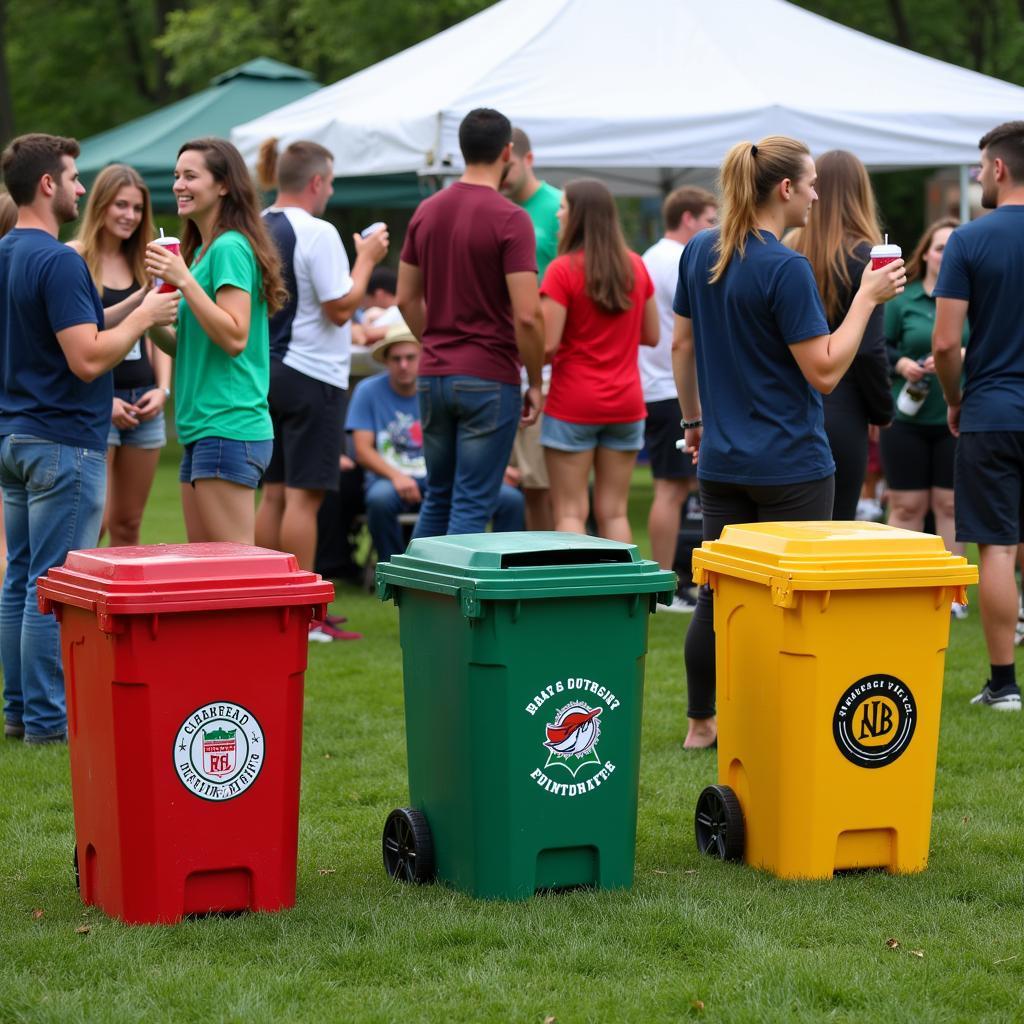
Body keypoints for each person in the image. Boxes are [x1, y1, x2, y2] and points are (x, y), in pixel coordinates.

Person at [673, 136, 905, 749]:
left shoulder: (700, 250)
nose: (817, 194)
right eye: (810, 184)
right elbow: (825, 370)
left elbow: (680, 345)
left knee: (717, 594)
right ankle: (780, 723)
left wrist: (693, 426)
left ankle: (703, 722)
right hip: (792, 465)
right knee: (795, 599)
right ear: (784, 190)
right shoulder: (784, 267)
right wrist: (865, 299)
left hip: (722, 460)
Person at [0, 133, 178, 744]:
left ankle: (21, 713)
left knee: (20, 580)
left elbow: (77, 321)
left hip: (16, 439)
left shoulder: (9, 253)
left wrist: (136, 302)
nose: (82, 188)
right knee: (51, 587)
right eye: (74, 178)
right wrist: (148, 321)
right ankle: (51, 724)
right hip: (63, 443)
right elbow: (86, 357)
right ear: (47, 184)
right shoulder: (60, 259)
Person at [252, 138, 387, 642]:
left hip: (267, 371)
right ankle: (303, 615)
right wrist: (367, 257)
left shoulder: (256, 225)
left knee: (275, 495)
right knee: (304, 501)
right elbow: (338, 306)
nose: (330, 190)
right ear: (315, 182)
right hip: (313, 376)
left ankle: (267, 604)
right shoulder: (319, 231)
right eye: (329, 182)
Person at [397, 107, 544, 538]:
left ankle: (419, 601)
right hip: (489, 376)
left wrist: (438, 342)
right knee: (472, 501)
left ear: (461, 150)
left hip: (434, 374)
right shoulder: (512, 218)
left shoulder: (426, 211)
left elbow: (406, 297)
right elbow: (527, 315)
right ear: (507, 152)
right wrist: (534, 381)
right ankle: (453, 607)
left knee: (438, 495)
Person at [145, 137, 287, 546]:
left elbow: (235, 335)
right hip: (201, 430)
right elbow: (186, 344)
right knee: (208, 575)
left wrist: (184, 281)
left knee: (236, 572)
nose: (178, 185)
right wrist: (151, 314)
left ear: (224, 185)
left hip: (228, 425)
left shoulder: (229, 248)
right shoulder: (202, 252)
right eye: (176, 176)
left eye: (191, 176)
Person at [933, 120, 1024, 711]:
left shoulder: (968, 240)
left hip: (992, 409)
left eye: (980, 166)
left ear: (999, 168)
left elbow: (945, 344)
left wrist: (953, 398)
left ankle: (1004, 685)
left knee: (995, 547)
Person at [541, 178, 658, 541]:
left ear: (578, 216)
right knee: (614, 512)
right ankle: (620, 595)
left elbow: (547, 344)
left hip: (573, 403)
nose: (558, 214)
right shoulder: (636, 267)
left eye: (563, 207)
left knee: (571, 512)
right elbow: (651, 335)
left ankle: (575, 597)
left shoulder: (562, 271)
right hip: (625, 403)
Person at [348, 321, 524, 561]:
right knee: (380, 499)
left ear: (423, 357)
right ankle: (394, 568)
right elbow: (362, 450)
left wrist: (492, 472)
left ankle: (501, 568)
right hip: (392, 478)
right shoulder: (368, 390)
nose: (403, 365)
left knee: (511, 500)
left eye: (410, 357)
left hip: (445, 475)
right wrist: (396, 476)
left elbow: (468, 442)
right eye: (396, 358)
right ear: (385, 361)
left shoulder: (439, 389)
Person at [68, 164, 171, 547]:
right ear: (101, 206)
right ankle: (83, 605)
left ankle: (125, 608)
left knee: (129, 523)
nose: (130, 216)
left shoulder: (147, 262)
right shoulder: (75, 257)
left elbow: (156, 331)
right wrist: (104, 400)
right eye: (121, 205)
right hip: (97, 402)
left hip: (143, 402)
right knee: (97, 522)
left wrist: (163, 389)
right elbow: (68, 343)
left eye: (138, 208)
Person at [787, 150, 893, 519]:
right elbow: (868, 350)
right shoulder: (870, 259)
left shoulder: (786, 251)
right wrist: (882, 410)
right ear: (861, 192)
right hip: (845, 408)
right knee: (834, 533)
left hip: (787, 407)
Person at [881, 217, 968, 618]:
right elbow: (880, 348)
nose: (945, 254)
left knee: (950, 506)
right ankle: (902, 585)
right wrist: (902, 365)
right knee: (906, 506)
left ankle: (952, 593)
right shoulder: (903, 299)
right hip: (907, 419)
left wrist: (960, 356)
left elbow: (991, 346)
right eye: (939, 247)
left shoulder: (974, 299)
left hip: (957, 415)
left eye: (953, 247)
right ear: (926, 253)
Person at [641, 186, 717, 609]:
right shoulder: (675, 260)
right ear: (687, 218)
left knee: (679, 487)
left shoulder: (653, 256)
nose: (713, 229)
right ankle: (665, 583)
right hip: (672, 390)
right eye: (709, 220)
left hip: (662, 387)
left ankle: (671, 582)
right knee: (671, 489)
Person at [502, 127, 563, 531]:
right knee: (525, 479)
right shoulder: (496, 208)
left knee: (551, 481)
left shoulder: (560, 207)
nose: (500, 177)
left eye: (506, 169)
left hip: (550, 359)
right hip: (506, 358)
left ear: (527, 159)